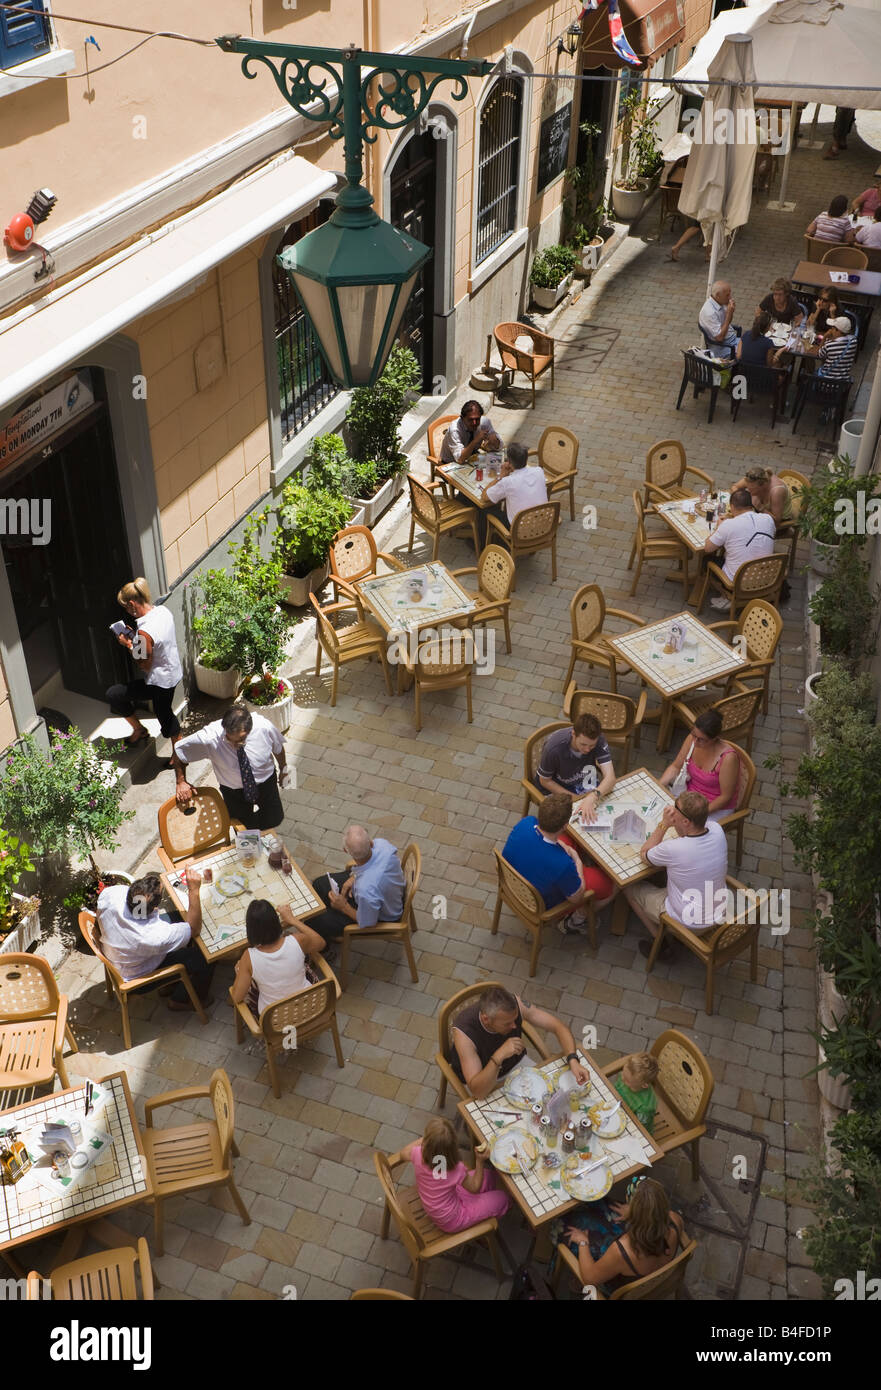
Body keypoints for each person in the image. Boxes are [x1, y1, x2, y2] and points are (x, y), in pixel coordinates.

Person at [624, 790, 729, 959]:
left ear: (687, 821)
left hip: (690, 922)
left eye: (676, 810)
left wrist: (664, 824)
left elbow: (645, 854)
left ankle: (661, 943)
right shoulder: (717, 829)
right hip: (718, 911)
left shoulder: (674, 849)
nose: (672, 811)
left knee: (628, 888)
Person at [449, 984, 591, 1099]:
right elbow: (479, 1092)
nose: (514, 1026)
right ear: (486, 1019)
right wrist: (498, 1056)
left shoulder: (516, 1004)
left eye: (514, 1019)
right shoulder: (464, 1034)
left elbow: (558, 1026)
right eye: (507, 1024)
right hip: (485, 1081)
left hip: (516, 1065)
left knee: (554, 1097)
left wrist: (573, 1060)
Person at [97, 871, 213, 1010]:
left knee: (179, 918)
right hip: (137, 977)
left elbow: (138, 913)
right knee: (205, 956)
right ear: (155, 908)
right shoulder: (154, 937)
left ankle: (170, 985)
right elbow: (194, 929)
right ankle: (181, 1000)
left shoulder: (112, 894)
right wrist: (193, 891)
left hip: (121, 952)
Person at [502, 793, 616, 934]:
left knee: (568, 840)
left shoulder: (525, 823)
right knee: (610, 884)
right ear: (564, 825)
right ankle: (576, 919)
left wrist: (563, 846)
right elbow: (577, 897)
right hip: (543, 903)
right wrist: (578, 861)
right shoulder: (563, 865)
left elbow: (544, 838)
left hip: (514, 882)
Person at [557, 1176, 687, 1296]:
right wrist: (634, 1214)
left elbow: (589, 1279)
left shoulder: (621, 1250)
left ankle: (576, 1284)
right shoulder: (675, 1220)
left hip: (620, 1286)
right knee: (604, 1206)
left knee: (561, 1225)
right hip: (650, 1271)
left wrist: (583, 1242)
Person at [171, 705, 289, 831]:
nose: (235, 744)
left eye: (241, 739)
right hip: (234, 793)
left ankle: (261, 833)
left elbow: (278, 747)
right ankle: (252, 840)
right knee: (244, 831)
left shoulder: (263, 726)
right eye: (229, 739)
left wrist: (284, 770)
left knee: (275, 818)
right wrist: (181, 781)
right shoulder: (209, 738)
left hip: (266, 783)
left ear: (250, 730)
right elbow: (179, 752)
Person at [106, 579, 182, 751]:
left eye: (126, 607)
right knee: (164, 713)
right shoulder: (163, 611)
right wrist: (137, 641)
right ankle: (139, 730)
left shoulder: (144, 631)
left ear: (132, 604)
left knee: (166, 717)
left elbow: (144, 665)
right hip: (173, 673)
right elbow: (155, 644)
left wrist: (128, 644)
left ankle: (179, 757)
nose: (127, 611)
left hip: (159, 682)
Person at [405, 1119, 509, 1231]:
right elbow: (474, 1187)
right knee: (503, 1198)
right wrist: (479, 1161)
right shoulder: (456, 1170)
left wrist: (430, 1141)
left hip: (440, 1203)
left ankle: (490, 1199)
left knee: (489, 1176)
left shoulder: (417, 1154)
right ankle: (482, 1222)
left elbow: (403, 1153)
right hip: (453, 1219)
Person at [309, 825, 405, 942]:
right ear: (371, 843)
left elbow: (368, 922)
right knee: (320, 883)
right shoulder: (382, 844)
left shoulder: (365, 890)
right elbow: (375, 867)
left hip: (382, 916)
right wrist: (355, 876)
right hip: (384, 890)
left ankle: (323, 946)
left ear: (345, 851)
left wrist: (343, 907)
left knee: (316, 919)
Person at [229, 899, 326, 1014]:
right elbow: (320, 943)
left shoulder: (248, 956)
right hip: (311, 1007)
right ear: (276, 922)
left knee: (240, 970)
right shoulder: (298, 940)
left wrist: (241, 971)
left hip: (274, 1021)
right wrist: (292, 920)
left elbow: (237, 997)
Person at [659, 709, 740, 822]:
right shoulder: (692, 739)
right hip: (689, 798)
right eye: (694, 735)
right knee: (659, 814)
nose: (695, 742)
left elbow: (725, 797)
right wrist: (658, 785)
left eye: (702, 740)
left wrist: (697, 814)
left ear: (715, 738)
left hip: (713, 807)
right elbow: (676, 767)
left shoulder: (728, 758)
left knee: (683, 830)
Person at [703, 486, 776, 609]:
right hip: (767, 577)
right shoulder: (768, 519)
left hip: (740, 581)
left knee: (706, 561)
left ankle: (728, 597)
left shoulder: (728, 525)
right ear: (751, 505)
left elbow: (708, 548)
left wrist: (719, 528)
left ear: (731, 507)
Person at [536, 713, 616, 810]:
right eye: (583, 744)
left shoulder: (599, 739)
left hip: (584, 781)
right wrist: (577, 800)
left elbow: (610, 778)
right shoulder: (553, 749)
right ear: (573, 733)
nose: (587, 749)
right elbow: (544, 781)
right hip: (558, 786)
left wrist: (593, 796)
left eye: (592, 746)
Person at [482, 440, 548, 529]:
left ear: (509, 462)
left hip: (520, 531)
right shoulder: (539, 471)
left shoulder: (507, 482)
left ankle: (486, 541)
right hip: (543, 525)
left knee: (485, 510)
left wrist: (500, 477)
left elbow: (485, 497)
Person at [439, 400, 502, 464]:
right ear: (462, 418)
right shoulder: (455, 430)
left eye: (477, 419)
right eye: (470, 420)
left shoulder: (484, 422)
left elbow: (499, 447)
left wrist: (495, 441)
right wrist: (476, 440)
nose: (474, 423)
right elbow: (460, 459)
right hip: (451, 463)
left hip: (471, 458)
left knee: (496, 465)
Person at [614, 1053, 659, 1134]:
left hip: (630, 1123)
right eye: (623, 1073)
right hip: (615, 1106)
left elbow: (639, 1129)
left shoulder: (645, 1108)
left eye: (627, 1081)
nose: (622, 1078)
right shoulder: (627, 1076)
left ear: (644, 1085)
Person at [802, 315, 858, 380]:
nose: (830, 329)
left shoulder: (829, 345)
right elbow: (846, 339)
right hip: (842, 383)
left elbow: (819, 354)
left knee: (807, 369)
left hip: (825, 381)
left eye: (832, 328)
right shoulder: (853, 342)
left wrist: (825, 337)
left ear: (838, 331)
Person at [698, 281, 739, 358]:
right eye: (727, 295)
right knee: (750, 354)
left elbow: (727, 322)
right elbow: (720, 338)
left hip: (731, 339)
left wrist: (731, 313)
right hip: (722, 347)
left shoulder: (721, 302)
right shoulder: (709, 312)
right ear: (717, 296)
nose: (730, 297)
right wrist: (728, 315)